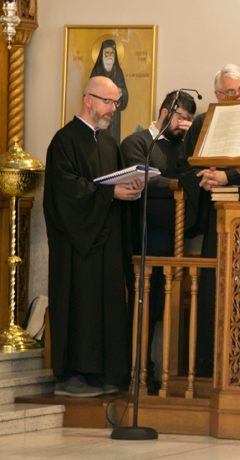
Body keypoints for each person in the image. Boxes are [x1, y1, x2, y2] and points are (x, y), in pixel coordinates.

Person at [44, 76, 144, 398]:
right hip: (78, 247)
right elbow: (67, 192)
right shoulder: (64, 141)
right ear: (88, 100)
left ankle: (103, 372)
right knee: (80, 305)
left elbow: (111, 188)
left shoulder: (109, 143)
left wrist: (129, 189)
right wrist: (108, 193)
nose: (113, 109)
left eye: (116, 102)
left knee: (107, 305)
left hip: (106, 244)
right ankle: (73, 375)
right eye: (108, 101)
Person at [120, 90, 196, 393]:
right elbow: (143, 177)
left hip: (175, 240)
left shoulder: (183, 148)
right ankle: (136, 370)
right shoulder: (137, 142)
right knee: (144, 308)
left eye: (190, 119)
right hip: (145, 235)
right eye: (181, 118)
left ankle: (152, 370)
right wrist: (178, 184)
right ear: (165, 112)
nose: (185, 125)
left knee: (163, 309)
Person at [176, 64, 240, 377]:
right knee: (213, 290)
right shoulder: (204, 122)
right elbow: (186, 165)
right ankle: (211, 362)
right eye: (228, 92)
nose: (234, 97)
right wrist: (205, 177)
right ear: (217, 95)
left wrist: (227, 175)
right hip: (215, 222)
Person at [90, 40, 129, 143]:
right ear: (103, 54)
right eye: (107, 53)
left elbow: (124, 91)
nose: (109, 56)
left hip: (114, 114)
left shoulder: (118, 71)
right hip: (99, 112)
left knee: (113, 139)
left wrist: (120, 90)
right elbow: (90, 90)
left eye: (112, 53)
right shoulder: (97, 70)